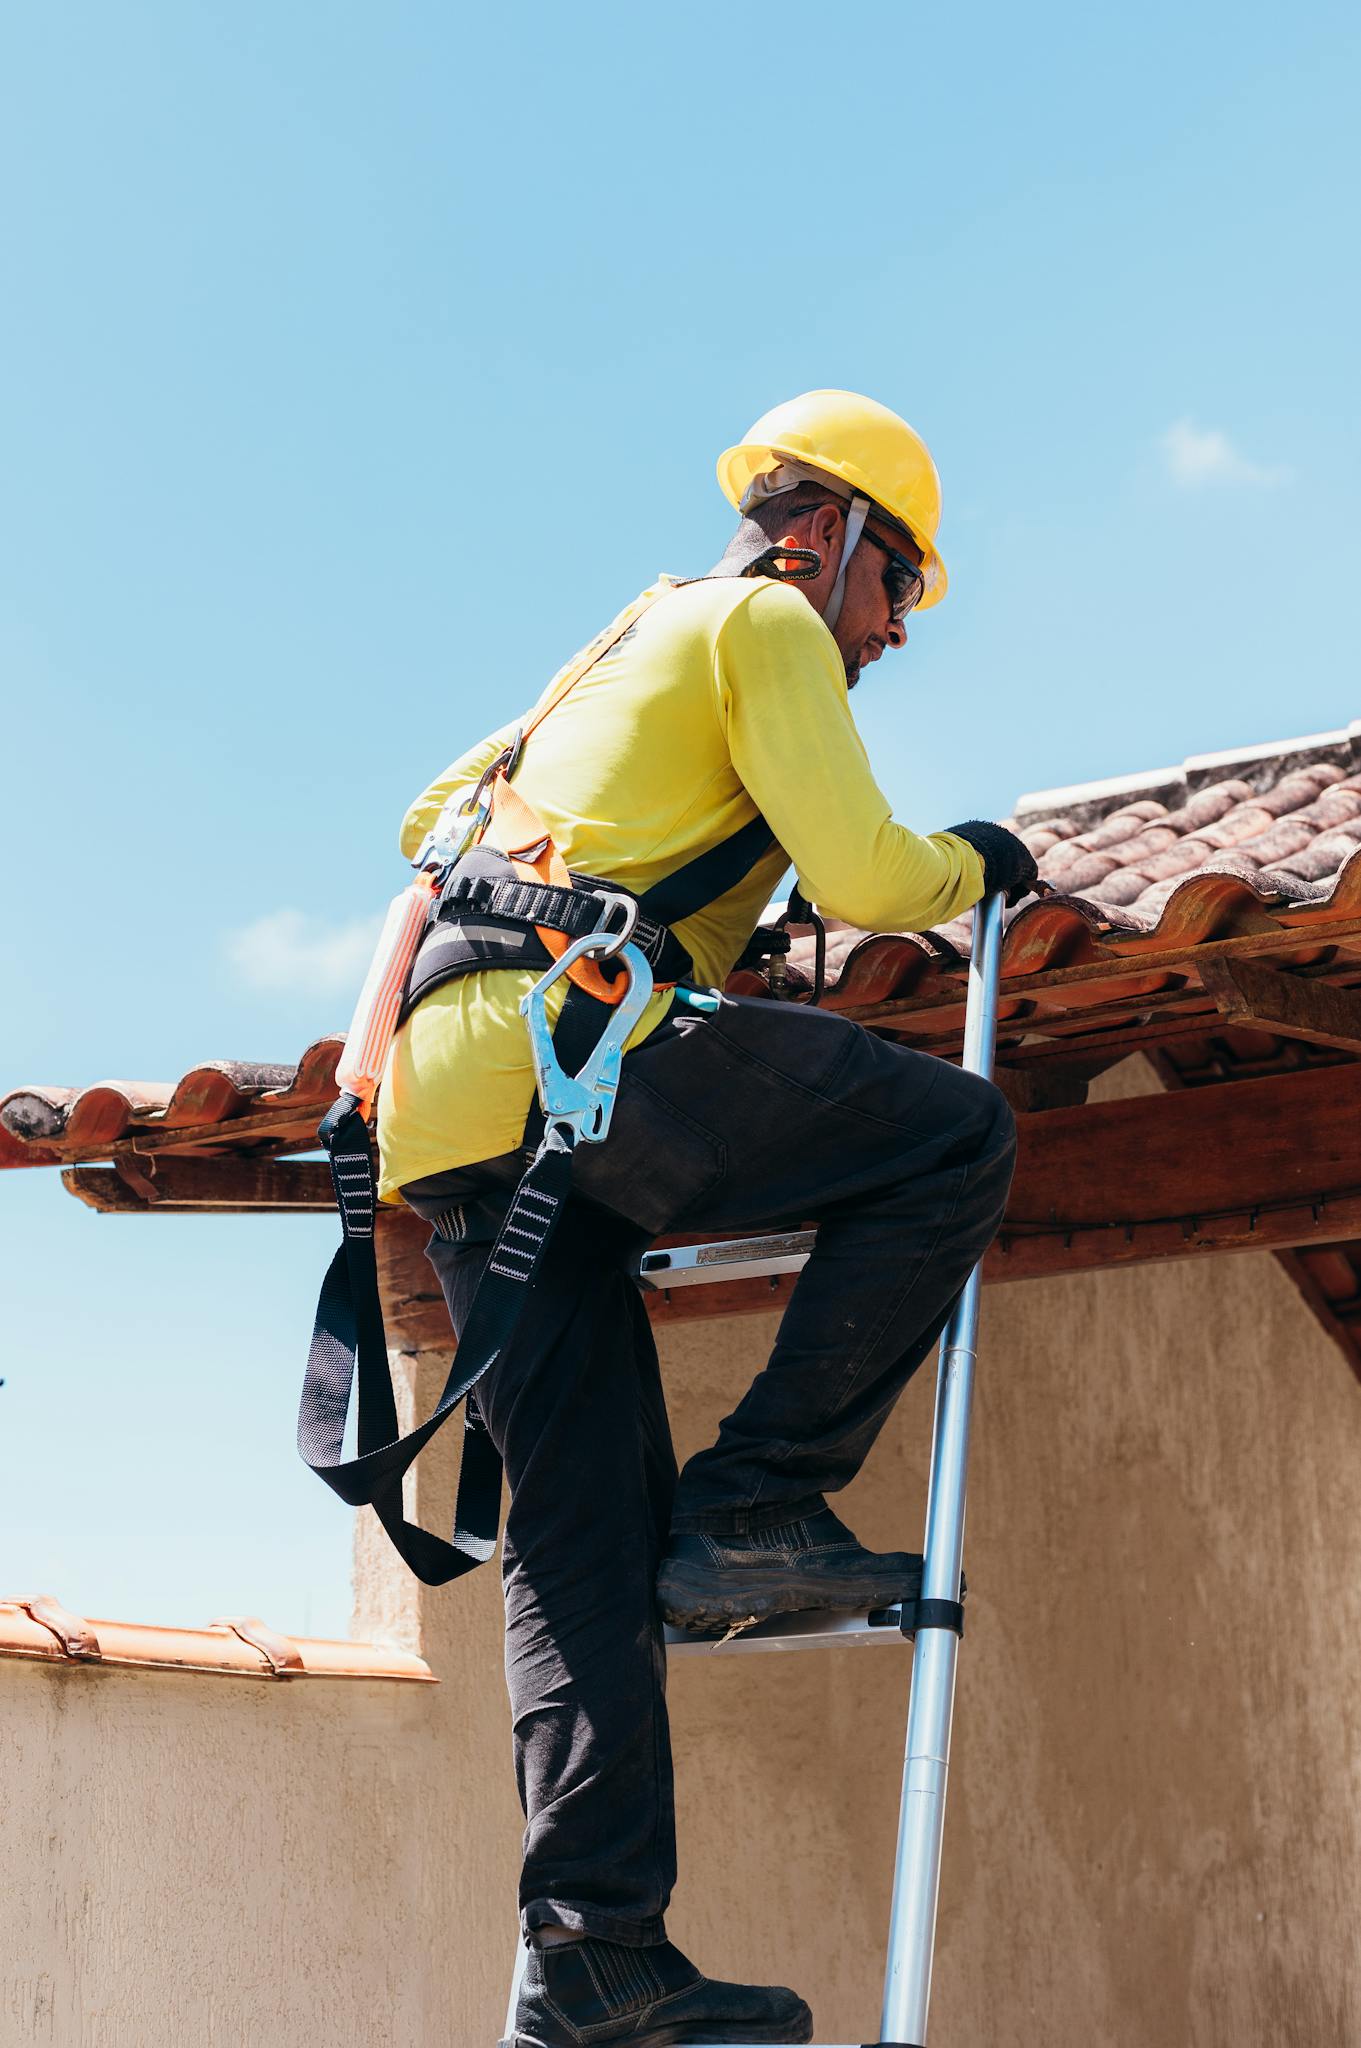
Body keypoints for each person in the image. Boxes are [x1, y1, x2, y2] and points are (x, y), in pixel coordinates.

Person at [378, 391, 1034, 2048]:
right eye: (896, 593)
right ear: (831, 541)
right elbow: (881, 881)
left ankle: (591, 1959)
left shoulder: (612, 647)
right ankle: (756, 1502)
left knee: (581, 1540)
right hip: (577, 1049)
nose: (889, 636)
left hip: (459, 1109)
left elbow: (423, 826)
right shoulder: (764, 620)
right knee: (949, 1137)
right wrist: (981, 862)